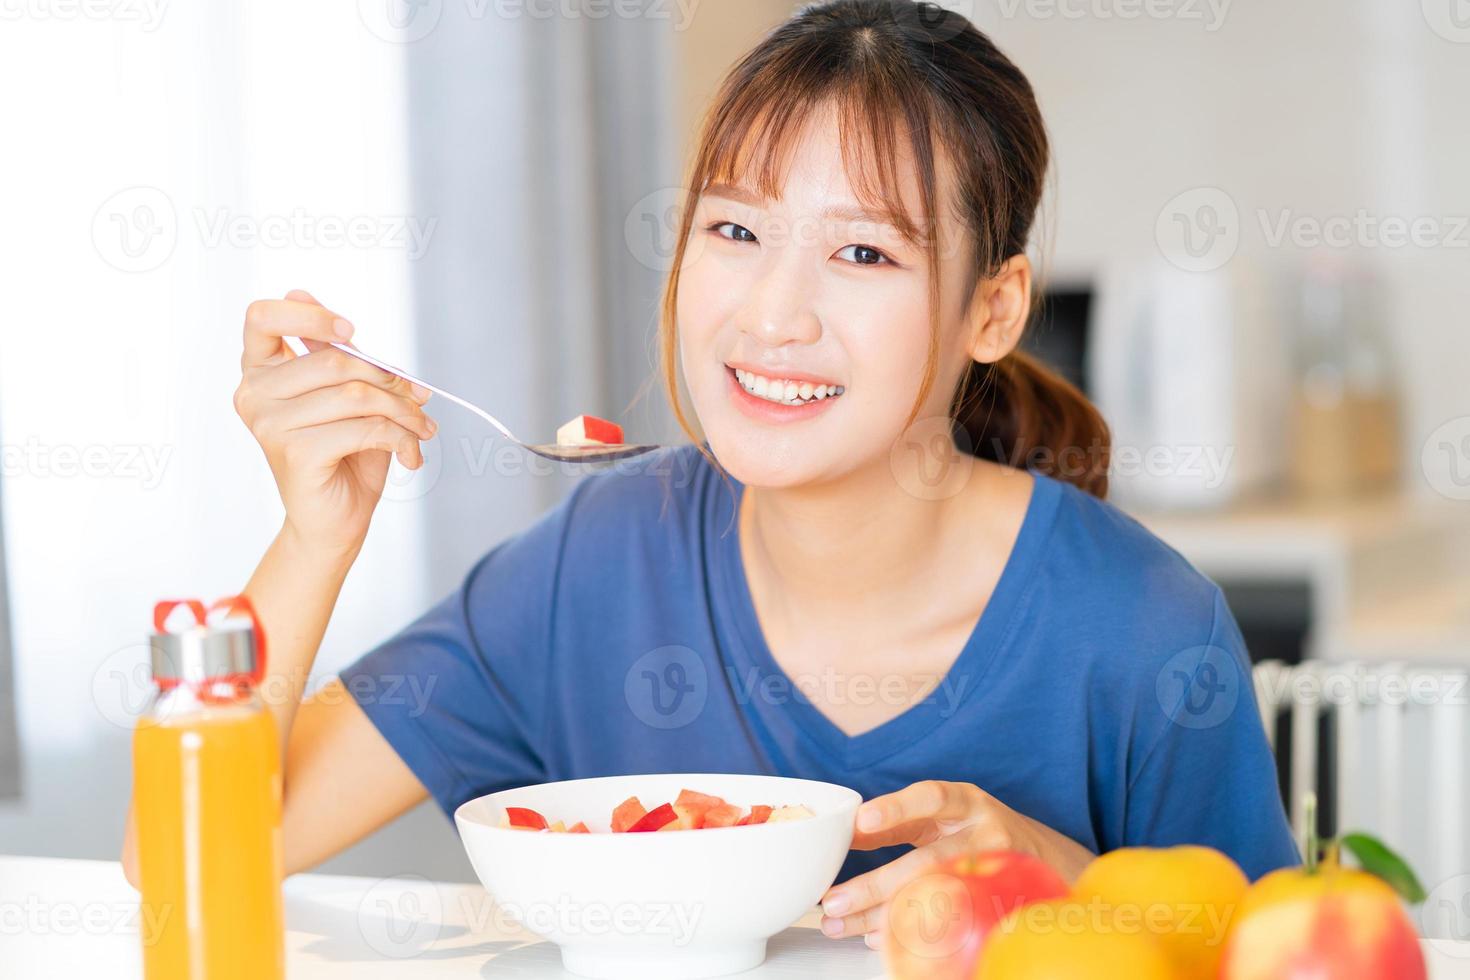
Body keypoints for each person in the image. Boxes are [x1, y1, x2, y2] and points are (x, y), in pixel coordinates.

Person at [123, 0, 1297, 949]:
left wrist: (1067, 879)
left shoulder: (1143, 627)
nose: (772, 316)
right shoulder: (596, 564)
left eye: (861, 251)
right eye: (735, 231)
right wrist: (315, 536)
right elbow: (183, 854)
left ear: (992, 309)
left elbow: (1273, 949)